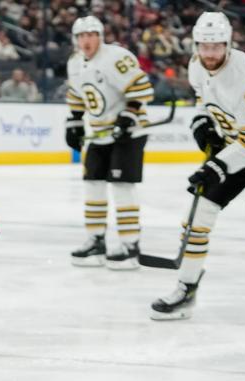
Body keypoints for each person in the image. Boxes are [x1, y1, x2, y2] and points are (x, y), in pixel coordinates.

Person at [150, 12, 245, 334]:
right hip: (239, 142)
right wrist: (201, 121)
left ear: (228, 44)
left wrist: (217, 166)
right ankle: (187, 289)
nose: (210, 53)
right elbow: (206, 98)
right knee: (200, 213)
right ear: (196, 45)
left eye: (216, 47)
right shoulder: (196, 64)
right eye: (204, 46)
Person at [65, 16, 153, 269]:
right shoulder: (75, 63)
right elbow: (76, 95)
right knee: (93, 184)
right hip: (101, 133)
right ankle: (96, 241)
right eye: (81, 36)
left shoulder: (116, 57)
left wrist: (128, 116)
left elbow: (141, 88)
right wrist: (75, 122)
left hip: (129, 133)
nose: (86, 40)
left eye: (91, 35)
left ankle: (130, 244)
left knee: (122, 186)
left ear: (100, 36)